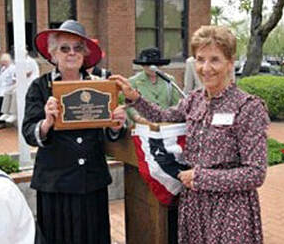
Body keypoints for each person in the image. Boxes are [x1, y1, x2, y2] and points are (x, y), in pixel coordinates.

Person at [112, 25, 270, 243]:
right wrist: (135, 98)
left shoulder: (248, 108)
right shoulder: (194, 100)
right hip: (194, 207)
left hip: (230, 211)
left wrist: (202, 177)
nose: (206, 68)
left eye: (214, 59)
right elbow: (163, 115)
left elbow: (255, 173)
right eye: (200, 59)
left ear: (230, 62)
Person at [22, 19, 127, 244]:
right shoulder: (40, 87)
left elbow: (111, 134)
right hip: (55, 183)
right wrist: (46, 123)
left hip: (92, 181)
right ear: (53, 54)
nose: (71, 53)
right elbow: (29, 132)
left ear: (84, 54)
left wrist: (117, 125)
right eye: (64, 48)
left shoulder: (101, 85)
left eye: (78, 48)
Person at [127, 47, 181, 126]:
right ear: (142, 65)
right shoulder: (133, 81)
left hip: (166, 125)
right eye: (148, 64)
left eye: (156, 64)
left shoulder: (169, 80)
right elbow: (129, 105)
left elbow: (176, 104)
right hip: (143, 126)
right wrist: (137, 118)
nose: (152, 67)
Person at [0, 53, 16, 129]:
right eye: (2, 61)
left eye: (4, 61)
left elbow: (14, 80)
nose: (3, 63)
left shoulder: (12, 68)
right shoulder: (2, 68)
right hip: (0, 91)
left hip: (6, 90)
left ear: (8, 61)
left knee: (1, 107)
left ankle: (1, 123)